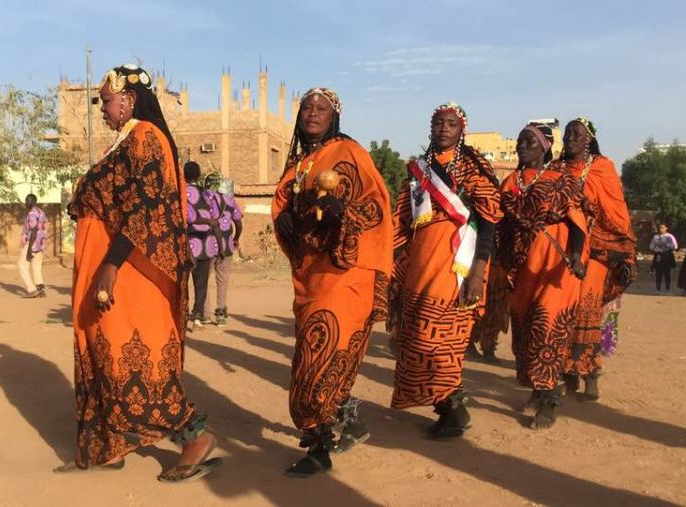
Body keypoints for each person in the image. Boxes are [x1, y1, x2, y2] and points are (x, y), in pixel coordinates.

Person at [64, 64, 219, 483]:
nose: (102, 109)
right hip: (109, 261)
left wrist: (111, 264)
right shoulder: (127, 140)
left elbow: (146, 206)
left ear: (129, 98)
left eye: (106, 101)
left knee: (133, 357)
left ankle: (193, 436)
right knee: (102, 351)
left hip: (131, 268)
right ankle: (109, 443)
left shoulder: (147, 138)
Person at [272, 87, 391, 477]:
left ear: (334, 116)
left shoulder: (349, 153)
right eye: (306, 107)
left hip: (345, 272)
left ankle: (318, 446)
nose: (312, 113)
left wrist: (344, 210)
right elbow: (288, 204)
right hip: (311, 273)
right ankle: (349, 419)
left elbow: (376, 205)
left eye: (321, 108)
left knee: (318, 356)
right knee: (322, 355)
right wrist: (285, 217)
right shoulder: (299, 164)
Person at [388, 102, 502, 440]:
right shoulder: (419, 168)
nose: (443, 129)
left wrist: (478, 269)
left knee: (440, 342)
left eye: (451, 124)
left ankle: (455, 409)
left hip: (456, 264)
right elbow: (402, 218)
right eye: (438, 123)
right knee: (415, 338)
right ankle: (445, 407)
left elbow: (489, 220)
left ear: (461, 129)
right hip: (420, 263)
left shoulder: (472, 165)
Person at [496, 124, 587, 429]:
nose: (521, 146)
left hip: (555, 263)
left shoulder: (562, 180)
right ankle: (537, 389)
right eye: (520, 141)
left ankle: (550, 400)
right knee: (525, 330)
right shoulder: (510, 182)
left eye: (529, 142)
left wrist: (576, 255)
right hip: (523, 267)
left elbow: (577, 222)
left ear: (545, 147)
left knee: (546, 327)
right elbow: (501, 225)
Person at [555, 117, 636, 401]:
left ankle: (590, 373)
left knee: (587, 310)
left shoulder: (603, 167)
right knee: (563, 309)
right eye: (567, 134)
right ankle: (566, 371)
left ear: (589, 139)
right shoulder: (555, 169)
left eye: (576, 134)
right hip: (562, 248)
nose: (570, 138)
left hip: (597, 249)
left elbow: (616, 211)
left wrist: (587, 211)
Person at [204, 173, 243, 326]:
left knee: (203, 280)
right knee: (222, 280)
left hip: (206, 245)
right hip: (226, 245)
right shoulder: (229, 200)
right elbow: (238, 223)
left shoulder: (203, 199)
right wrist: (236, 238)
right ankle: (220, 314)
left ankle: (205, 314)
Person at [184, 162, 220, 327]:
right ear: (199, 175)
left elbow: (186, 218)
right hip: (206, 244)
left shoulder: (180, 193)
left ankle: (183, 314)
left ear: (184, 175)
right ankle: (197, 315)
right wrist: (219, 246)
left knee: (183, 283)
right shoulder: (207, 194)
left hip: (186, 244)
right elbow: (215, 219)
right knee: (201, 284)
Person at [466, 260, 510, 364]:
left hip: (503, 265)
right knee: (479, 303)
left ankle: (488, 346)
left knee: (497, 307)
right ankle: (469, 341)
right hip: (486, 264)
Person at [19, 193, 47, 298]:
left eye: (27, 200)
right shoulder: (40, 212)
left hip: (32, 243)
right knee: (36, 267)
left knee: (22, 265)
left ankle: (31, 289)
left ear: (32, 201)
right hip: (40, 243)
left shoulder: (31, 213)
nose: (25, 202)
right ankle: (40, 289)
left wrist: (30, 248)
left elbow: (34, 230)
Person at [649, 223, 678, 294]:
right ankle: (658, 289)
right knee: (658, 273)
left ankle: (667, 289)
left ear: (666, 228)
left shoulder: (669, 236)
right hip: (658, 255)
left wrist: (666, 244)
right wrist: (656, 247)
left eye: (662, 227)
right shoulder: (655, 237)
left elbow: (675, 246)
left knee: (667, 273)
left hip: (667, 255)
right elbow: (651, 246)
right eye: (660, 228)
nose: (660, 229)